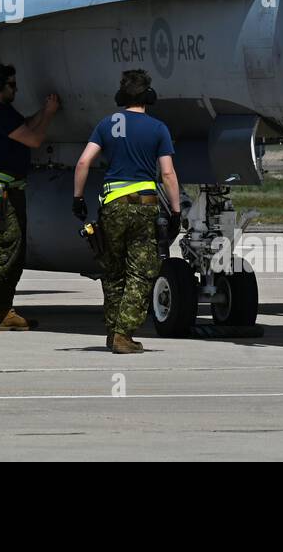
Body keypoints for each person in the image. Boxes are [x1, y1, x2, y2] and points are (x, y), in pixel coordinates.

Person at [72, 69, 180, 355]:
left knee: (113, 271)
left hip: (111, 205)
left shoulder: (105, 124)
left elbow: (83, 163)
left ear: (121, 96)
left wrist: (78, 198)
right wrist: (177, 210)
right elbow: (167, 174)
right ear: (149, 96)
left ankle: (113, 332)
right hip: (143, 205)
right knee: (141, 272)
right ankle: (123, 333)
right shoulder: (158, 128)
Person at [0, 64, 61, 332]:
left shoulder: (4, 112)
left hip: (11, 188)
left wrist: (43, 111)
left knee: (17, 252)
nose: (15, 89)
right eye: (12, 85)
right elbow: (34, 139)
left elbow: (26, 125)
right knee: (6, 246)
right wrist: (50, 115)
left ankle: (4, 310)